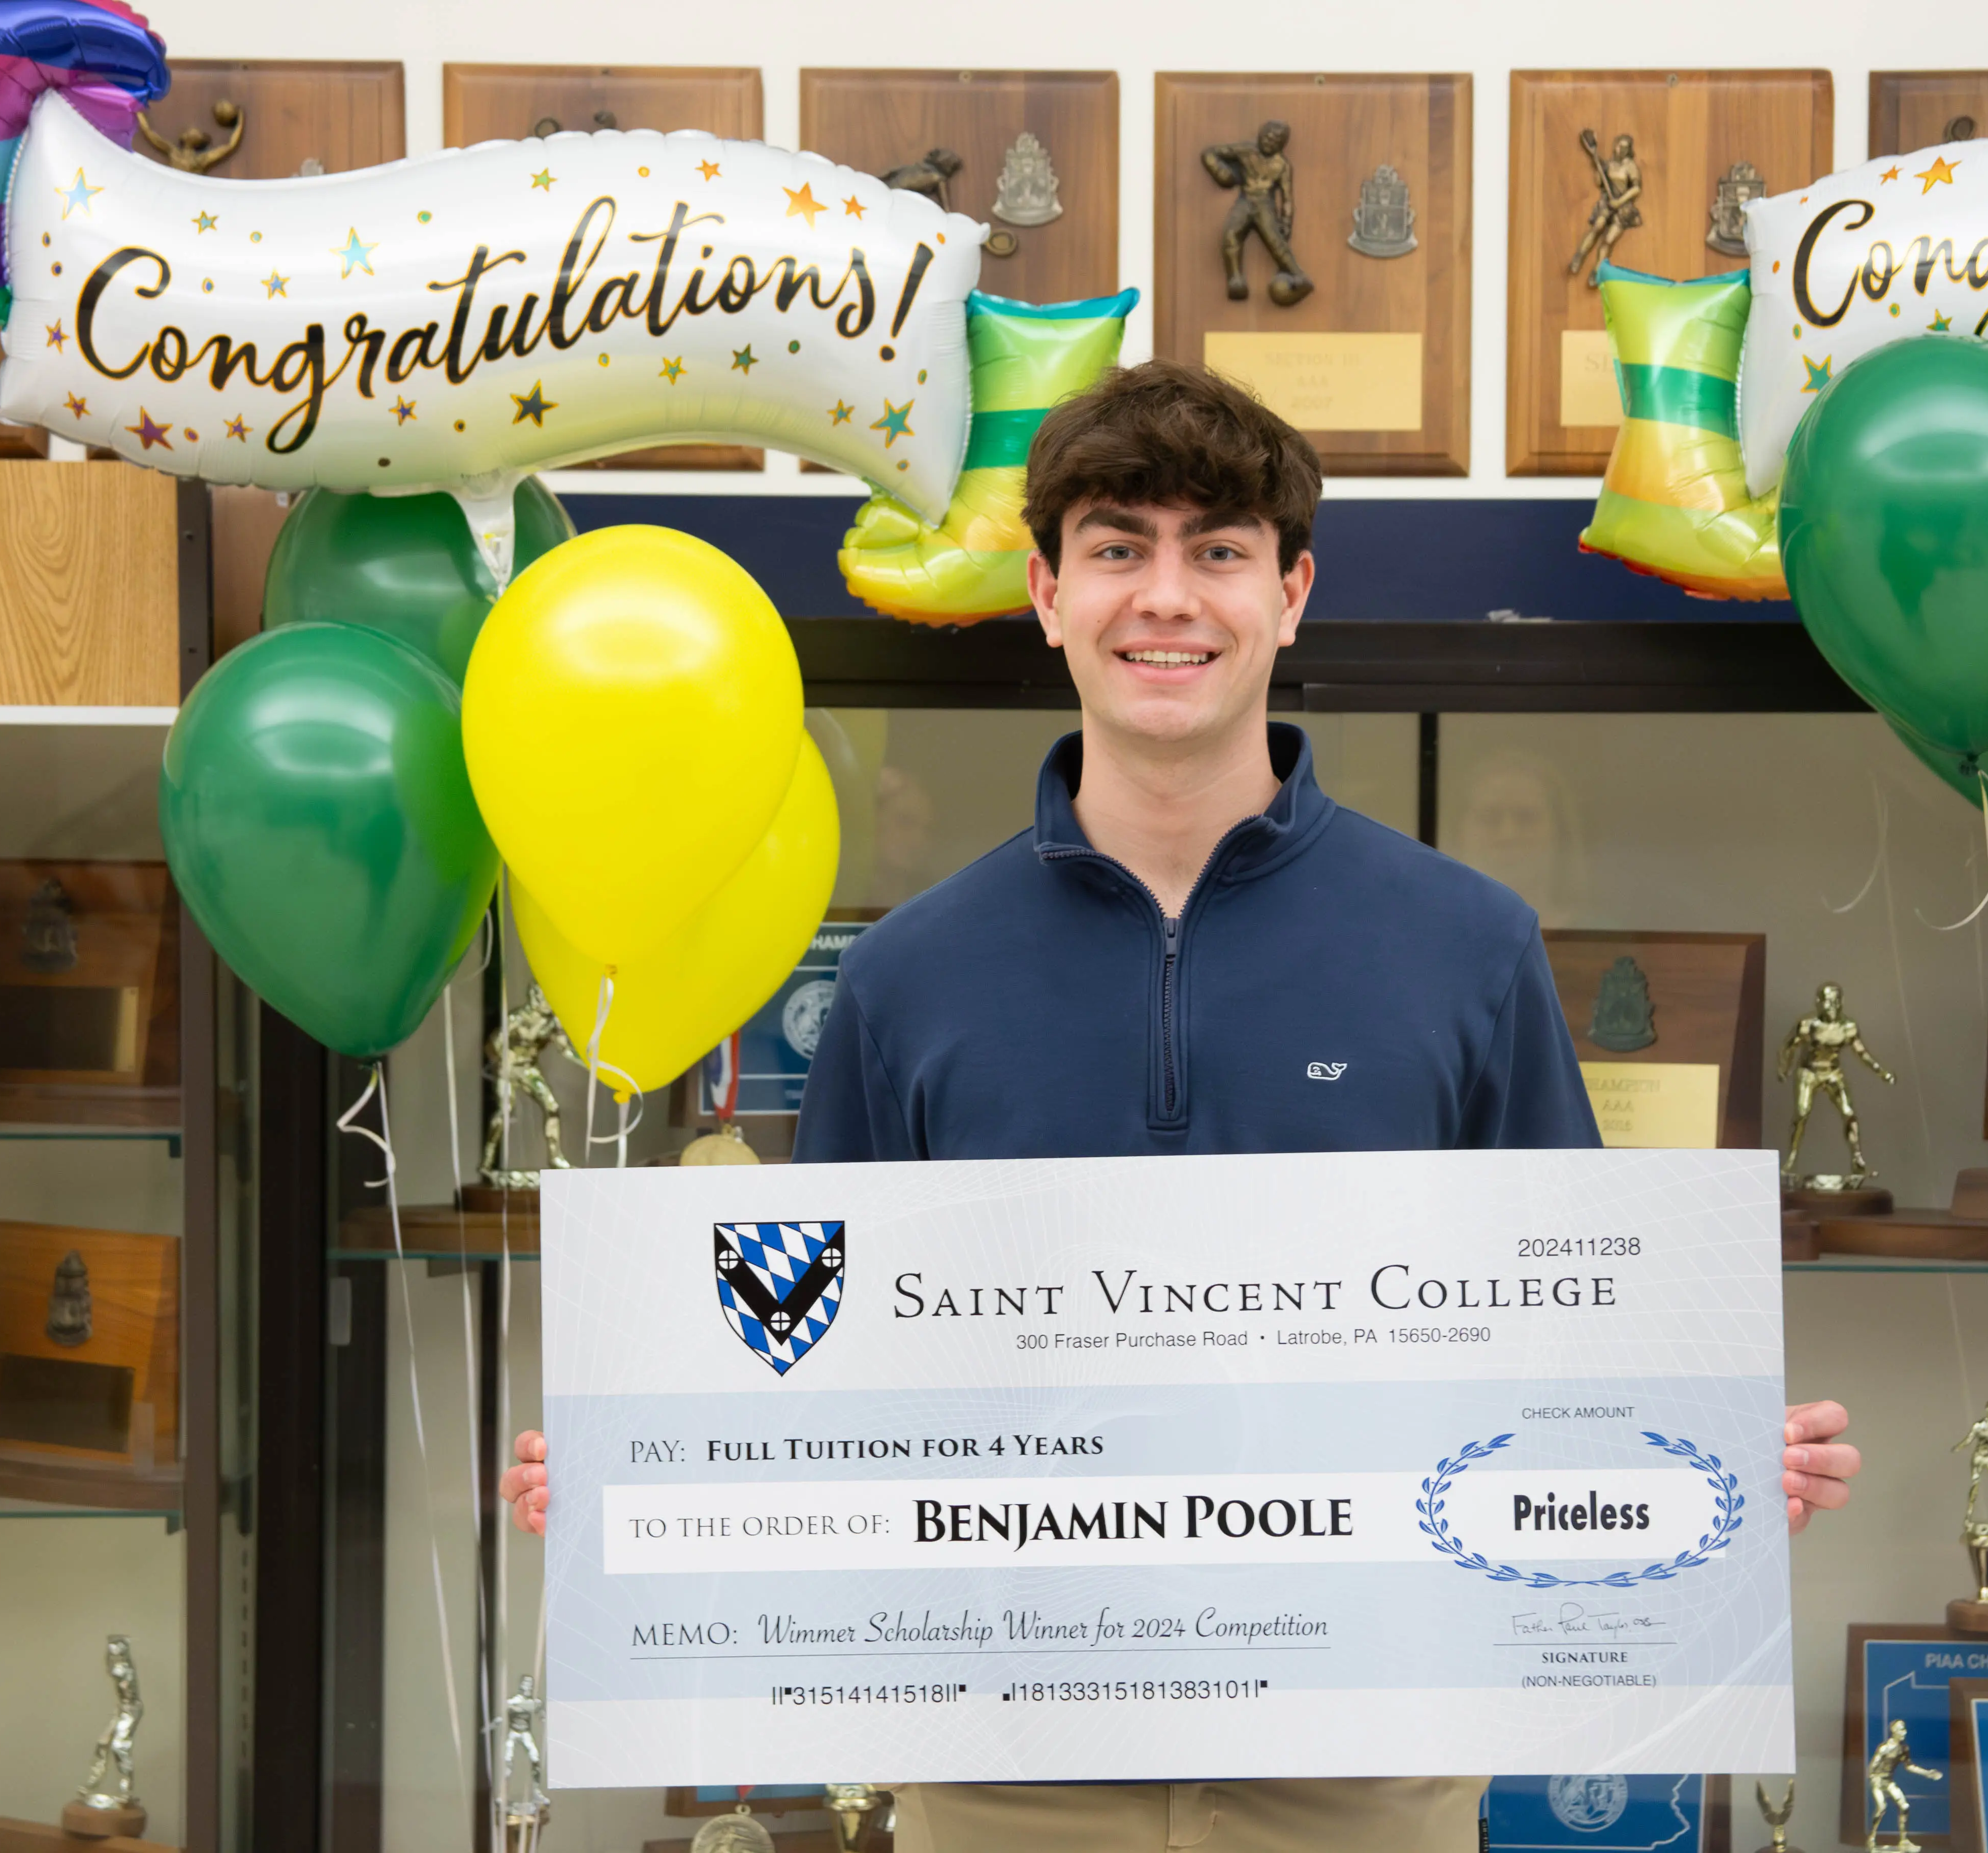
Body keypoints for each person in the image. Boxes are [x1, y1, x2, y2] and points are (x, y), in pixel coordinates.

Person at [502, 360, 1860, 1853]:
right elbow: (830, 1389)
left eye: (1218, 551)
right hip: (1007, 1770)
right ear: (1044, 589)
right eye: (1116, 549)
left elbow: (1565, 1351)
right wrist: (654, 1473)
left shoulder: (1468, 944)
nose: (1167, 597)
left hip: (1369, 1760)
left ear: (1291, 594)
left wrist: (1702, 1472)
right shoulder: (908, 978)